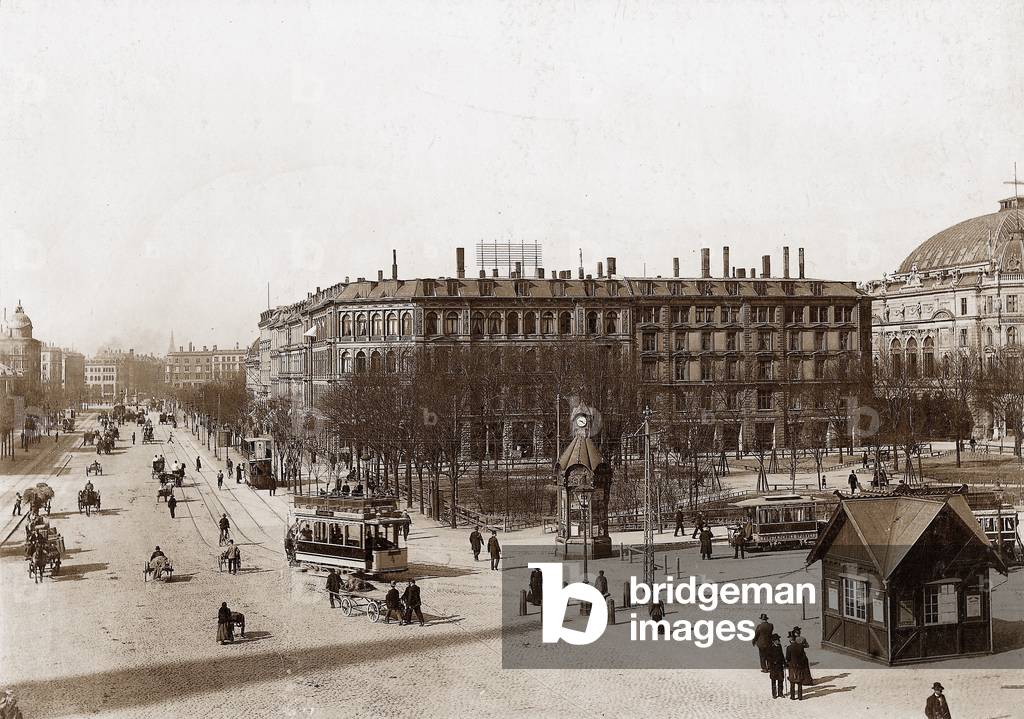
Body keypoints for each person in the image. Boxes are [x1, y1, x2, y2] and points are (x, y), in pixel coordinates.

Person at [785, 630, 812, 700]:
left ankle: (793, 696)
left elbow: (787, 658)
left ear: (791, 640)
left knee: (792, 681)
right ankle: (800, 696)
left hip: (792, 666)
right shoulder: (800, 646)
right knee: (799, 682)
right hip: (799, 666)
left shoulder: (789, 648)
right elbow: (803, 656)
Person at [767, 633, 786, 699]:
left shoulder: (779, 646)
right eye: (777, 639)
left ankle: (780, 693)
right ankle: (774, 694)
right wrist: (773, 661)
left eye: (778, 639)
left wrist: (784, 663)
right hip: (773, 667)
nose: (779, 640)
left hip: (780, 666)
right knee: (773, 680)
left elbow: (782, 655)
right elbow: (768, 657)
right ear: (774, 640)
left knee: (781, 680)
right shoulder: (770, 647)